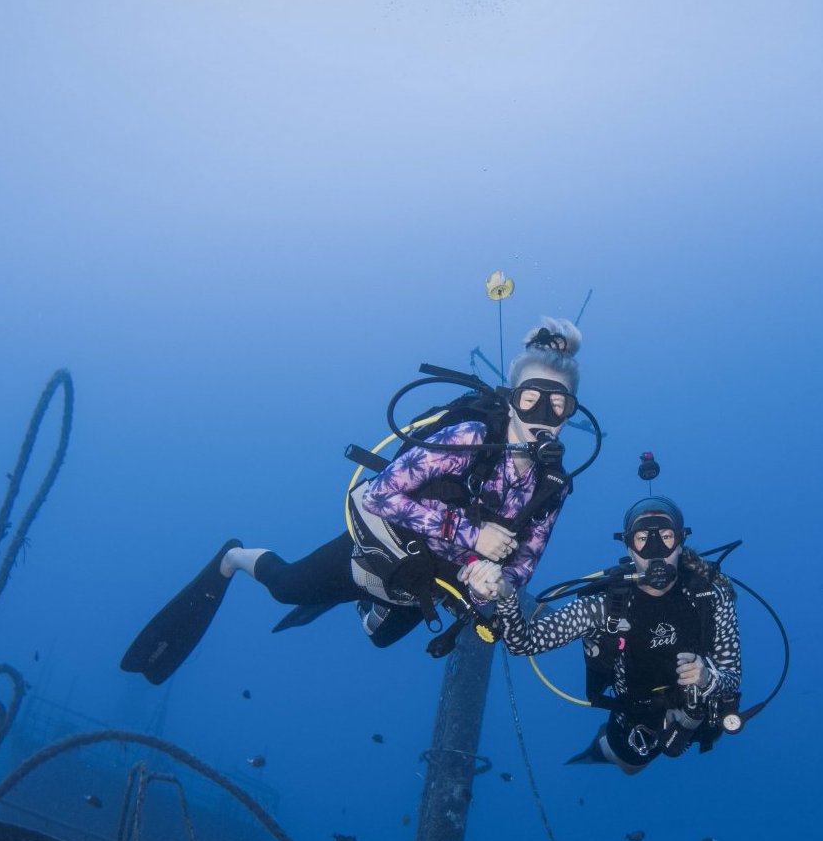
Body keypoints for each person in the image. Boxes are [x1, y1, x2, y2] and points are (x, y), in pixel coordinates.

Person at [120, 319, 584, 684]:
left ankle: (359, 603)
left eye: (558, 406)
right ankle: (233, 557)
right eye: (531, 399)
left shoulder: (553, 486)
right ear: (511, 400)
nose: (544, 417)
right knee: (286, 588)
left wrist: (496, 585)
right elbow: (379, 493)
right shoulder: (468, 437)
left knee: (381, 639)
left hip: (429, 581)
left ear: (572, 412)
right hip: (379, 547)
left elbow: (524, 564)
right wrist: (469, 533)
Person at [473, 494, 741, 774]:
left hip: (696, 711)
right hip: (637, 716)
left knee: (710, 735)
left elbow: (732, 677)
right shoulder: (605, 606)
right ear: (628, 546)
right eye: (641, 539)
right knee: (630, 765)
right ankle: (601, 748)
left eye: (665, 536)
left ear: (680, 542)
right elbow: (523, 643)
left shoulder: (711, 596)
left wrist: (707, 679)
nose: (655, 549)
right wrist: (505, 595)